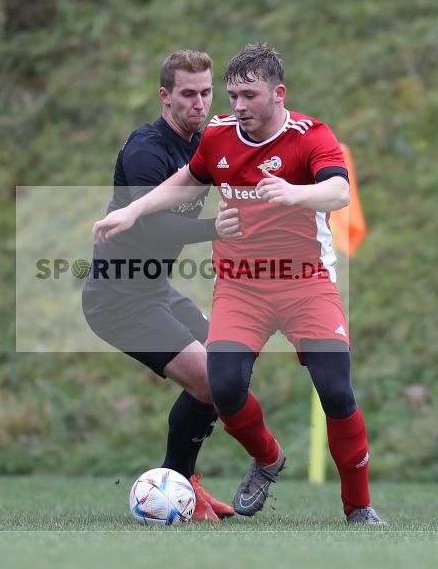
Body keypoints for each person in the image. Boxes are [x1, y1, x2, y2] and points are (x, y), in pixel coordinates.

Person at [93, 43, 386, 525]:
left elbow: (339, 190)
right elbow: (187, 180)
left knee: (336, 391)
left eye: (248, 95)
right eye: (232, 96)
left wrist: (295, 193)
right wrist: (133, 208)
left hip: (304, 282)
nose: (238, 106)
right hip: (240, 285)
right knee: (224, 387)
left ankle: (358, 508)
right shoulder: (220, 137)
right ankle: (268, 458)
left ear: (278, 93)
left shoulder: (311, 136)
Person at [83, 50, 239, 521]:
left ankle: (183, 485)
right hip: (118, 299)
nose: (199, 103)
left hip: (155, 291)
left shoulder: (205, 143)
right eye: (188, 94)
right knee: (212, 381)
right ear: (164, 96)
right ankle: (179, 487)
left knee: (229, 370)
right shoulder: (145, 151)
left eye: (206, 93)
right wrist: (220, 227)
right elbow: (153, 230)